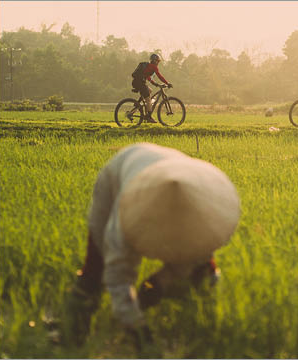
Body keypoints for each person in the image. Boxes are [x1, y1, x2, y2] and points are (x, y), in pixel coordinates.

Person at [64, 143, 241, 349]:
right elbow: (118, 277)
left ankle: (200, 326)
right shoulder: (125, 217)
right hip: (122, 169)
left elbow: (194, 254)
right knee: (96, 265)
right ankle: (74, 331)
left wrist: (160, 282)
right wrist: (137, 330)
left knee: (199, 266)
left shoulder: (201, 212)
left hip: (177, 174)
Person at [132, 54, 173, 123]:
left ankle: (138, 104)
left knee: (150, 91)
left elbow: (148, 78)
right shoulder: (153, 67)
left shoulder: (148, 66)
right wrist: (167, 83)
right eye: (157, 61)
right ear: (155, 61)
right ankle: (149, 117)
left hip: (136, 82)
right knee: (148, 99)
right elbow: (160, 76)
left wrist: (155, 84)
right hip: (140, 83)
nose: (158, 63)